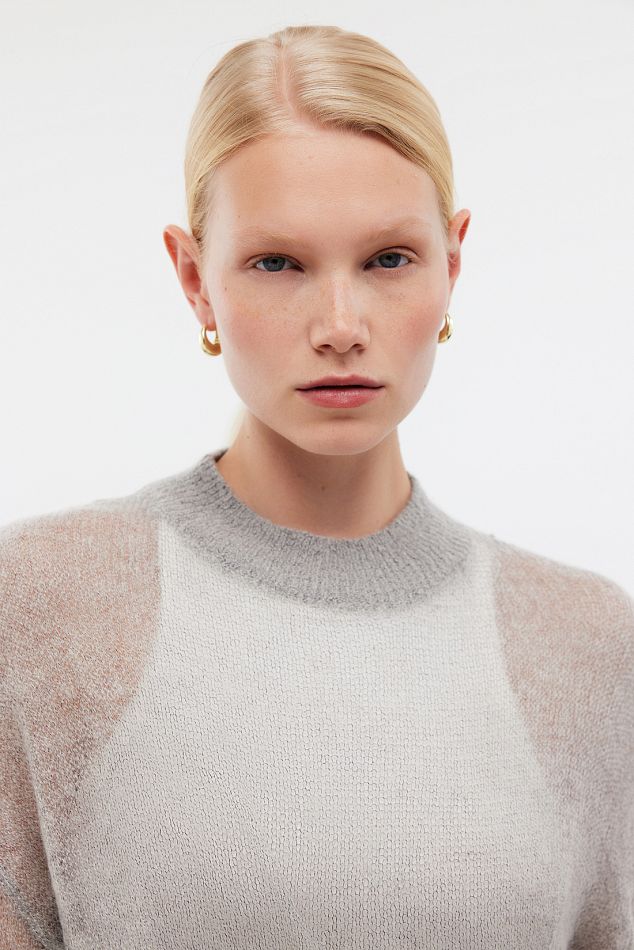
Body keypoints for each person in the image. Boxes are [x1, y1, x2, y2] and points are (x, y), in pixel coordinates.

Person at [1, 24, 632, 950]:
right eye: (277, 263)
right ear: (193, 278)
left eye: (388, 259)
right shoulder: (44, 605)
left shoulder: (588, 647)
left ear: (453, 263)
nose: (341, 326)